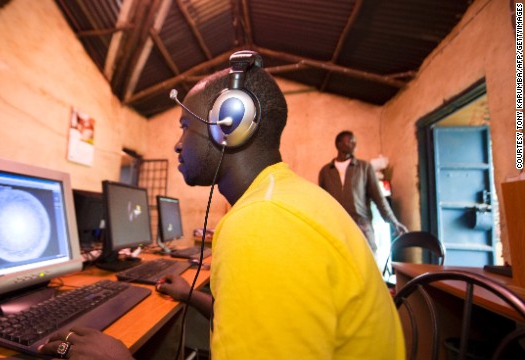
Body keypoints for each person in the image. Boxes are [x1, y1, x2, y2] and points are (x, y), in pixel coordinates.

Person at [40, 51, 405, 359]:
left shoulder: (262, 223)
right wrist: (191, 296)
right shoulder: (286, 196)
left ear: (230, 126)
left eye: (185, 125)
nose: (178, 144)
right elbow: (263, 318)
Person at [318, 131, 408, 254]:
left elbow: (379, 198)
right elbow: (321, 203)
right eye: (350, 141)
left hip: (362, 226)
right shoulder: (325, 171)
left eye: (354, 141)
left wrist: (393, 222)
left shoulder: (364, 168)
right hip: (335, 228)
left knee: (367, 264)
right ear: (338, 144)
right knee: (339, 265)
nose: (354, 144)